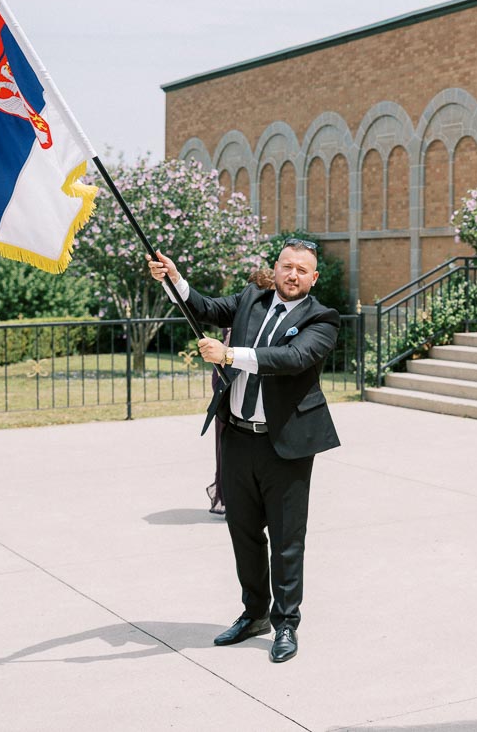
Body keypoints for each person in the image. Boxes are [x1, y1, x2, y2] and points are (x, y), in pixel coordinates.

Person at [148, 239, 340, 663]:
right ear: (275, 268)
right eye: (286, 266)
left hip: (285, 446)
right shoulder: (251, 299)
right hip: (237, 437)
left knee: (287, 539)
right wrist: (175, 279)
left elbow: (292, 357)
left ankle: (286, 623)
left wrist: (230, 353)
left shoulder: (322, 318)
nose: (292, 275)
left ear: (313, 277)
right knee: (244, 533)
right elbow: (205, 308)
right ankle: (255, 614)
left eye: (301, 270)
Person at [206, 267, 276, 516]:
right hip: (231, 379)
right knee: (227, 442)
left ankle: (235, 496)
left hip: (232, 377)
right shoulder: (243, 311)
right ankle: (230, 495)